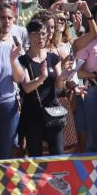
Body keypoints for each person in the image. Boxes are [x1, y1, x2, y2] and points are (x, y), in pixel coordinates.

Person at [17, 19, 69, 157]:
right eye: (36, 34)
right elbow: (27, 88)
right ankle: (37, 179)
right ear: (29, 35)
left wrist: (63, 77)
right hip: (32, 113)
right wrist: (41, 78)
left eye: (43, 33)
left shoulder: (53, 58)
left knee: (58, 155)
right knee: (35, 157)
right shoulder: (23, 60)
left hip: (53, 111)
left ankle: (57, 179)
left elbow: (59, 87)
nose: (40, 37)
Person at [72, 2, 97, 153]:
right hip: (94, 90)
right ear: (94, 20)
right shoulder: (88, 43)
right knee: (94, 136)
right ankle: (92, 173)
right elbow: (77, 71)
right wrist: (94, 74)